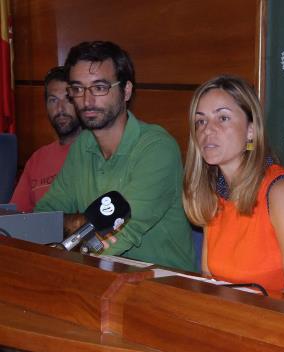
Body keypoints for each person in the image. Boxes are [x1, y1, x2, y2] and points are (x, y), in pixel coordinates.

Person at [35, 41, 195, 271]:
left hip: (161, 288)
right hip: (98, 278)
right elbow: (44, 216)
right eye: (78, 89)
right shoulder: (83, 145)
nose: (87, 100)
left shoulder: (157, 148)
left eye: (99, 87)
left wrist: (71, 231)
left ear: (126, 90)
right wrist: (81, 221)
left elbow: (117, 236)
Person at [182, 75, 284, 293]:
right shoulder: (213, 194)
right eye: (200, 121)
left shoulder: (283, 192)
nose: (207, 130)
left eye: (222, 118)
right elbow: (209, 280)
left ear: (251, 130)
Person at [10, 67, 81, 212]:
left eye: (68, 99)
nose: (60, 109)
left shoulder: (99, 151)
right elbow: (15, 217)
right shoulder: (37, 159)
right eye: (53, 100)